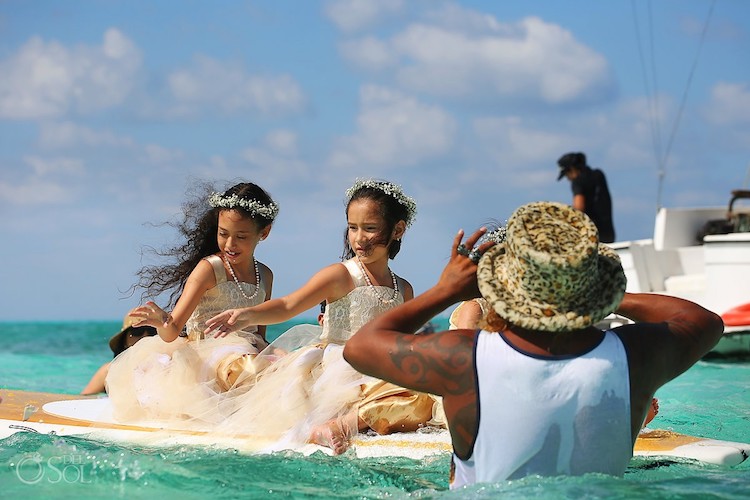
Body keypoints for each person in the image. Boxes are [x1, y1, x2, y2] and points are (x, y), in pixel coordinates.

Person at [344, 201, 723, 487]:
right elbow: (703, 321)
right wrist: (593, 291)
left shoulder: (464, 357)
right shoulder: (633, 357)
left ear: (506, 285)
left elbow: (361, 346)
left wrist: (445, 290)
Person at [205, 179, 435, 454]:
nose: (359, 238)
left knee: (423, 395)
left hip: (379, 369)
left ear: (397, 229)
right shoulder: (340, 275)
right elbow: (289, 304)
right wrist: (247, 314)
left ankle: (348, 421)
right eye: (352, 227)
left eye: (370, 228)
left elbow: (399, 341)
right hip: (340, 368)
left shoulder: (403, 288)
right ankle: (335, 425)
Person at [105, 181, 278, 424]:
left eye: (241, 236)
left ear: (264, 233)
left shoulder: (265, 275)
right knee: (243, 367)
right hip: (208, 356)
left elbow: (260, 335)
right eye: (223, 233)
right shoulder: (209, 270)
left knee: (287, 363)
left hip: (248, 351)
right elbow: (172, 331)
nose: (230, 244)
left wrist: (279, 358)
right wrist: (162, 321)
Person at [81, 308, 157, 395]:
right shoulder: (108, 371)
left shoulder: (169, 366)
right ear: (124, 339)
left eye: (152, 331)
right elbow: (82, 400)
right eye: (137, 331)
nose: (145, 336)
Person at [557, 152, 615, 243]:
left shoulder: (577, 182)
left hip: (591, 237)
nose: (568, 179)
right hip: (608, 234)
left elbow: (578, 209)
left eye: (567, 174)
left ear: (572, 169)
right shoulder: (599, 175)